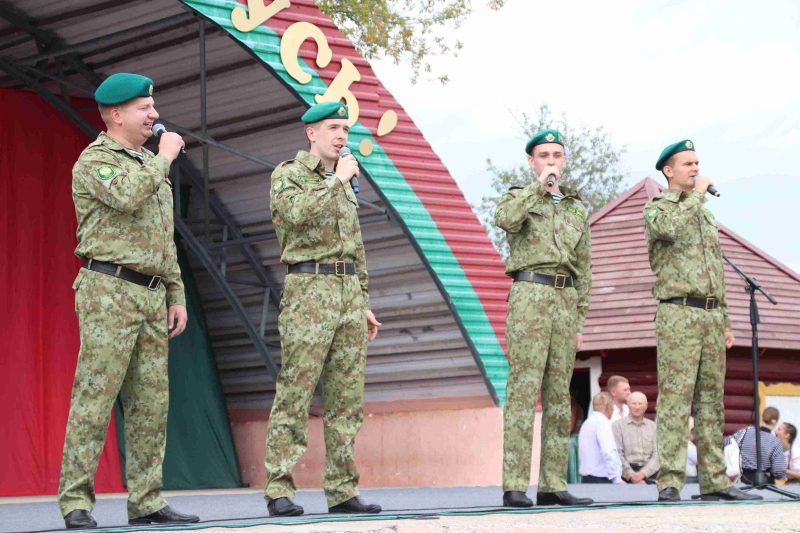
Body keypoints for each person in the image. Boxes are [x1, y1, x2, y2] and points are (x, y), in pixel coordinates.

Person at [58, 73, 198, 529]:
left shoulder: (151, 166)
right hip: (108, 290)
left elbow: (164, 237)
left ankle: (147, 500)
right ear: (116, 115)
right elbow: (126, 195)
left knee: (151, 403)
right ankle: (76, 502)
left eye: (153, 106)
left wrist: (176, 293)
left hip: (152, 293)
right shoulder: (96, 162)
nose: (154, 115)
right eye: (144, 108)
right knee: (95, 397)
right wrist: (163, 159)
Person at [263, 102, 382, 517]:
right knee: (295, 392)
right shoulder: (288, 175)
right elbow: (293, 216)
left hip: (348, 293)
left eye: (346, 129)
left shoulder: (346, 182)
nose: (341, 136)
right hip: (309, 291)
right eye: (333, 127)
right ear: (310, 133)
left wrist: (363, 301)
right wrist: (336, 182)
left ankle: (343, 489)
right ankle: (279, 487)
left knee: (347, 399)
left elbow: (356, 244)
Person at [644, 139, 759, 502]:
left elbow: (716, 271)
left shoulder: (705, 214)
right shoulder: (657, 208)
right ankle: (671, 480)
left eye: (697, 163)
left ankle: (714, 481)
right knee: (676, 398)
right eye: (688, 164)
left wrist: (724, 318)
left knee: (712, 400)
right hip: (678, 311)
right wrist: (696, 196)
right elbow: (672, 230)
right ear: (668, 171)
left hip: (710, 313)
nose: (695, 169)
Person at [494, 129, 593, 508]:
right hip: (530, 294)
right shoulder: (518, 196)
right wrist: (537, 188)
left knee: (558, 394)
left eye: (557, 155)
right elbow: (505, 219)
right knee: (523, 390)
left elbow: (584, 268)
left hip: (565, 299)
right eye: (544, 155)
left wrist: (580, 319)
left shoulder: (575, 208)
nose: (552, 161)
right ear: (532, 162)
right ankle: (514, 484)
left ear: (565, 161)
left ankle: (553, 483)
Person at [725, 407, 787, 484]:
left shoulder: (744, 432)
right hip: (765, 484)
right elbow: (779, 471)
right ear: (775, 422)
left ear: (762, 418)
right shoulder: (775, 442)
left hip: (741, 481)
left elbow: (726, 443)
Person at [612, 391, 659, 484]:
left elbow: (658, 454)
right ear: (628, 405)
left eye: (640, 404)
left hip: (650, 474)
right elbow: (617, 454)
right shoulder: (617, 426)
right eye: (634, 403)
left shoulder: (654, 427)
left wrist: (643, 473)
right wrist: (631, 475)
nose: (637, 407)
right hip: (626, 477)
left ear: (646, 406)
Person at [579, 392, 624, 484]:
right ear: (608, 406)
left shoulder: (587, 423)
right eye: (613, 407)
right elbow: (608, 451)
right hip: (601, 478)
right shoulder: (603, 423)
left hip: (587, 477)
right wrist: (617, 478)